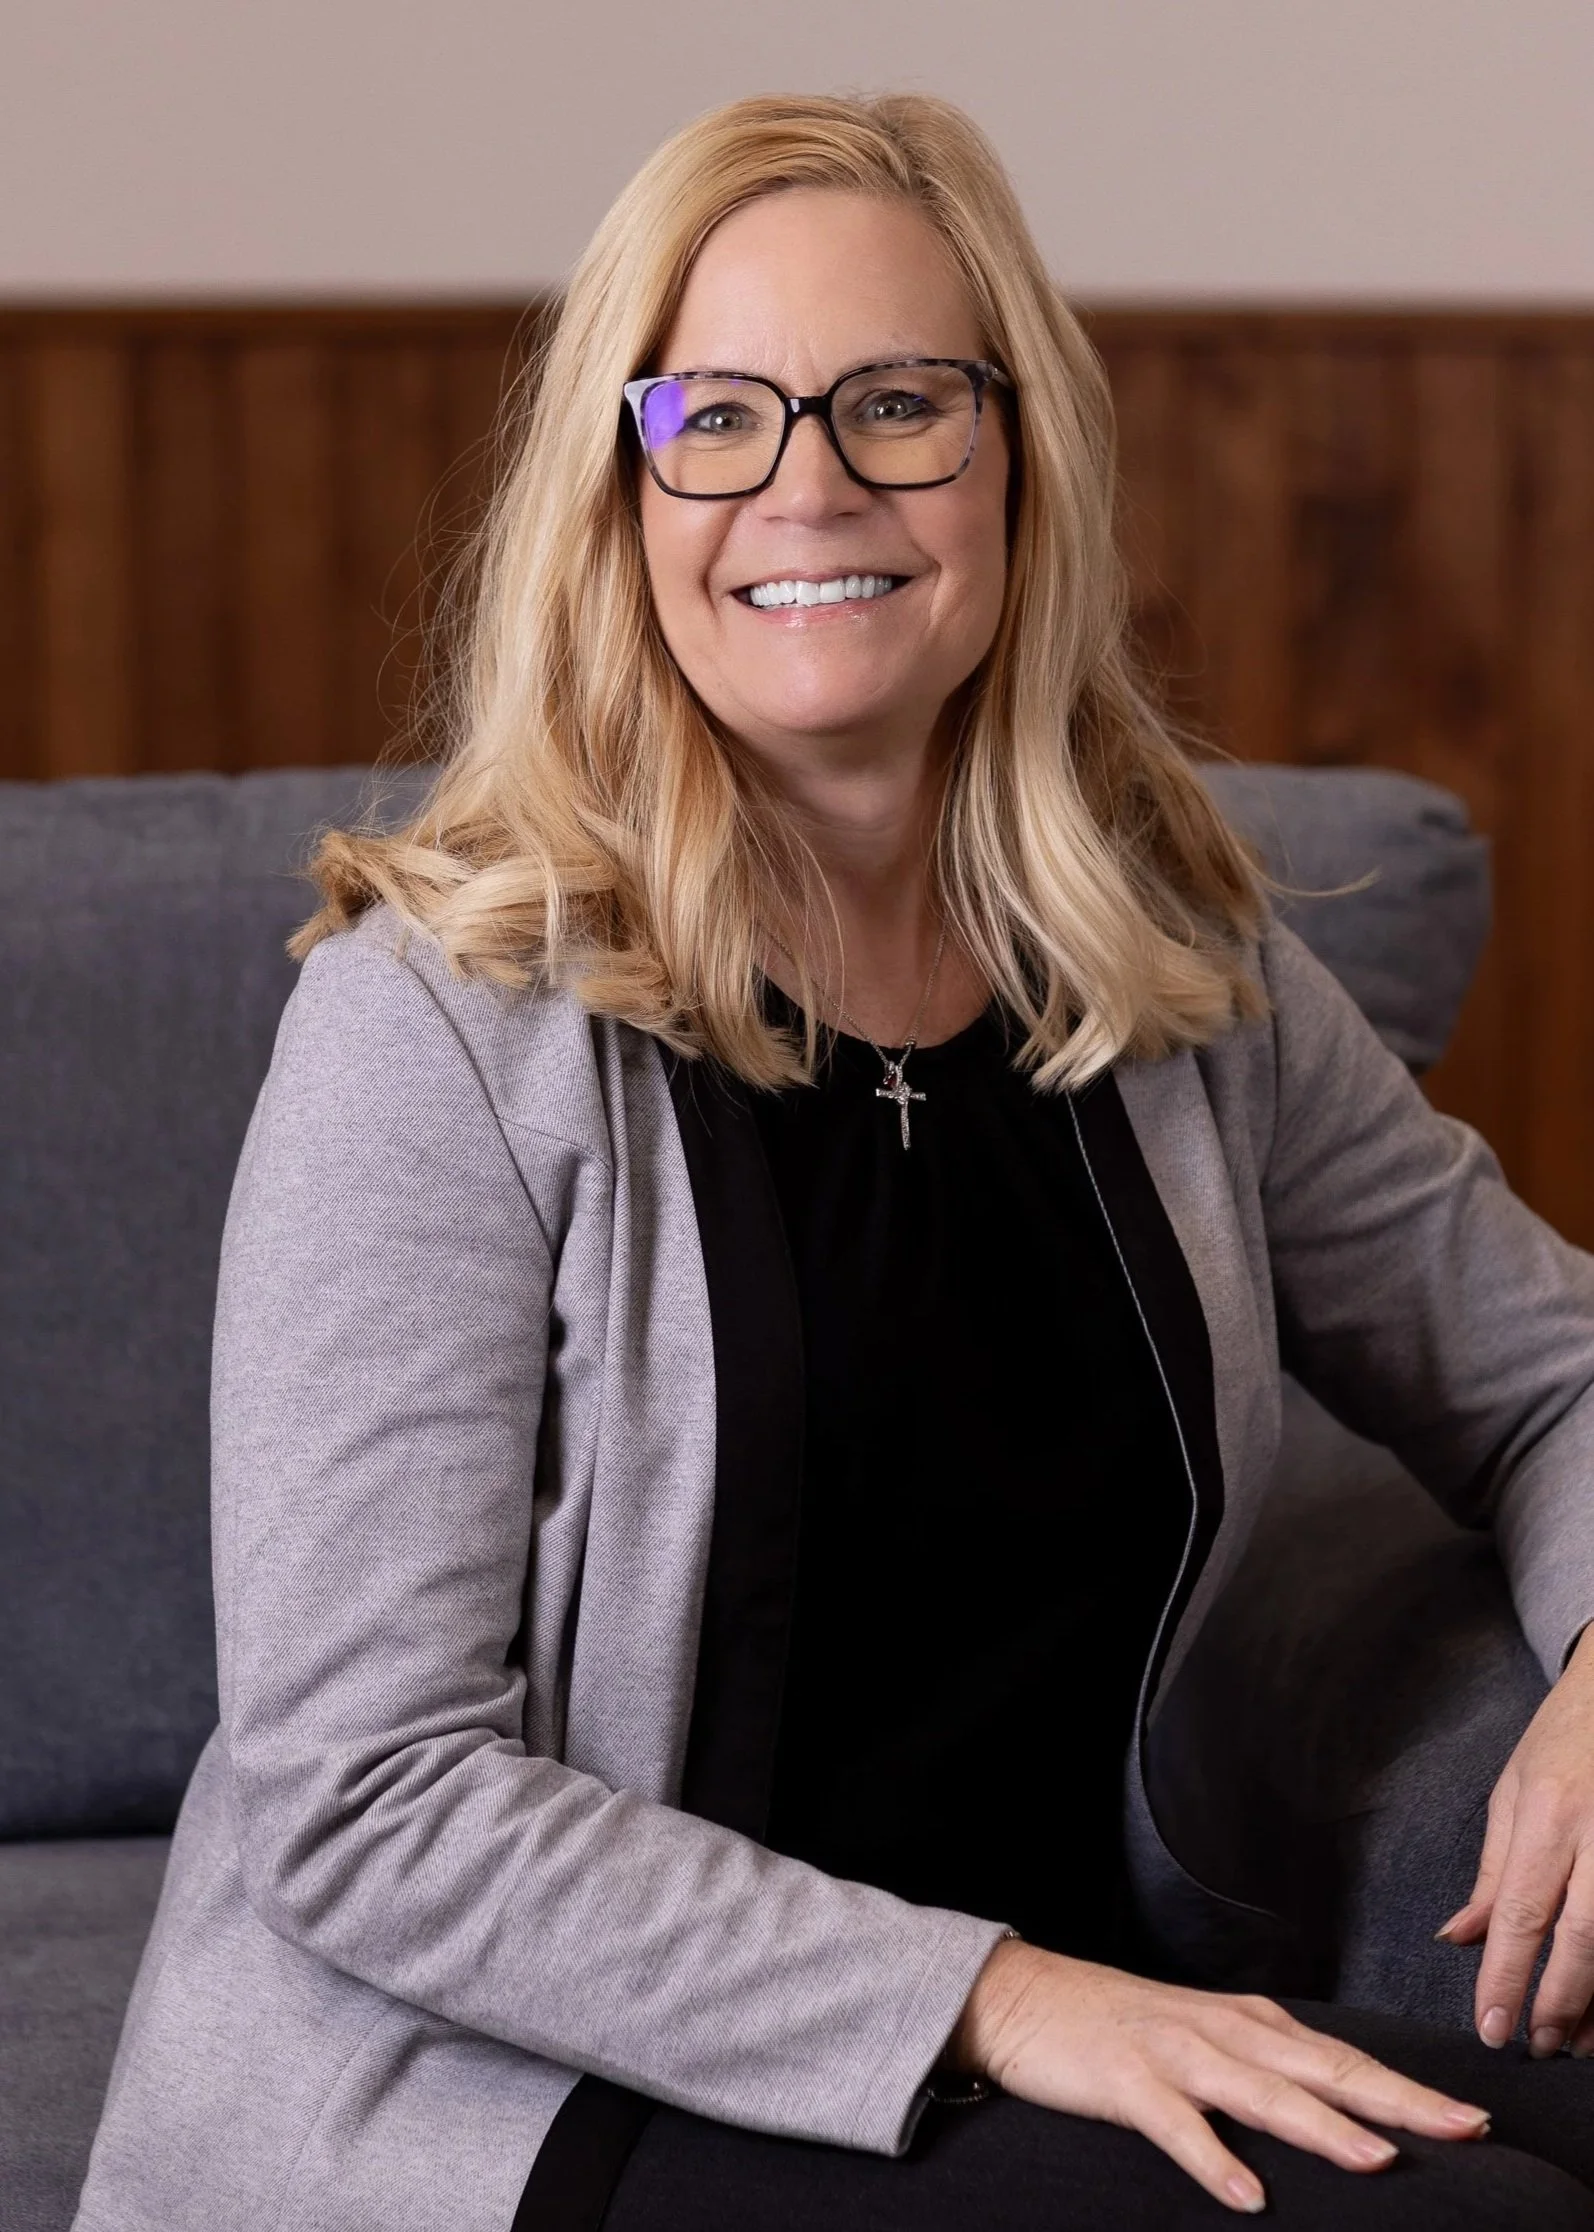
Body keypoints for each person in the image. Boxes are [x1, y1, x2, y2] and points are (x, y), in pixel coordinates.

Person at [72, 92, 1594, 2232]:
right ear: (619, 490)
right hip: (534, 2097)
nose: (806, 484)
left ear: (1016, 457)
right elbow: (365, 1798)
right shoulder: (435, 1025)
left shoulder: (1172, 977)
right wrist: (993, 1995)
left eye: (895, 402)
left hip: (1046, 2042)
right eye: (715, 415)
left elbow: (1548, 1374)